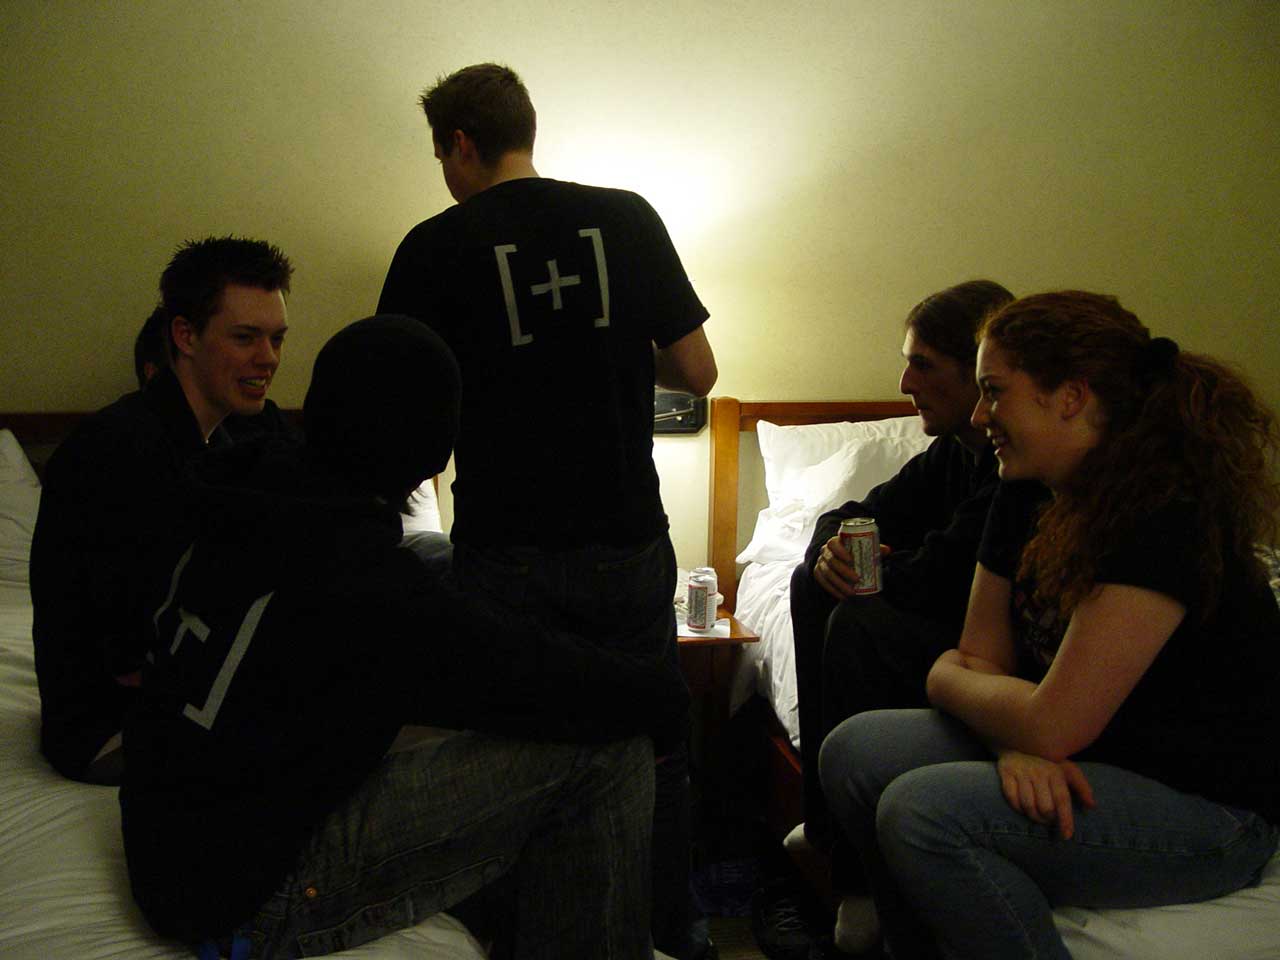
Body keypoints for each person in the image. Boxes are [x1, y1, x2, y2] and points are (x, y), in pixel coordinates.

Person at [121, 315, 690, 959]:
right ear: (430, 449)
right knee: (606, 750)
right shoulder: (366, 586)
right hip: (245, 901)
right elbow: (525, 672)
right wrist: (666, 697)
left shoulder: (243, 495)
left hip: (168, 840)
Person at [819, 291, 1280, 959]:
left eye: (995, 392)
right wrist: (1015, 742)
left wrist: (973, 694)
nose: (979, 416)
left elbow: (1029, 709)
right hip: (1090, 755)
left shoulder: (1160, 518)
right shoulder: (1022, 491)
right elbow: (982, 658)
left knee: (922, 812)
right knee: (854, 752)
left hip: (1207, 809)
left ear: (1070, 397)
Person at [376, 63, 718, 960]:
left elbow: (396, 411)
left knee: (515, 748)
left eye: (440, 156)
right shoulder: (629, 217)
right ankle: (672, 931)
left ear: (459, 144)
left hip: (506, 548)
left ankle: (517, 934)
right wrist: (611, 351)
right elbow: (699, 373)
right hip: (626, 538)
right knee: (653, 735)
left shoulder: (434, 247)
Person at [759, 281, 1012, 957]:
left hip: (993, 647)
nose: (904, 384)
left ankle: (857, 881)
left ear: (978, 375)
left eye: (923, 365)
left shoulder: (1016, 467)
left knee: (859, 621)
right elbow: (852, 514)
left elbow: (943, 571)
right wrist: (831, 551)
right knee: (810, 581)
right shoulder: (953, 453)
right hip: (948, 628)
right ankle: (826, 830)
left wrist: (865, 572)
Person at [30, 236, 293, 783]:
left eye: (276, 338)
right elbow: (131, 652)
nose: (268, 358)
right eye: (245, 337)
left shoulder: (234, 439)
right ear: (185, 335)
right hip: (108, 726)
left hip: (172, 696)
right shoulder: (113, 451)